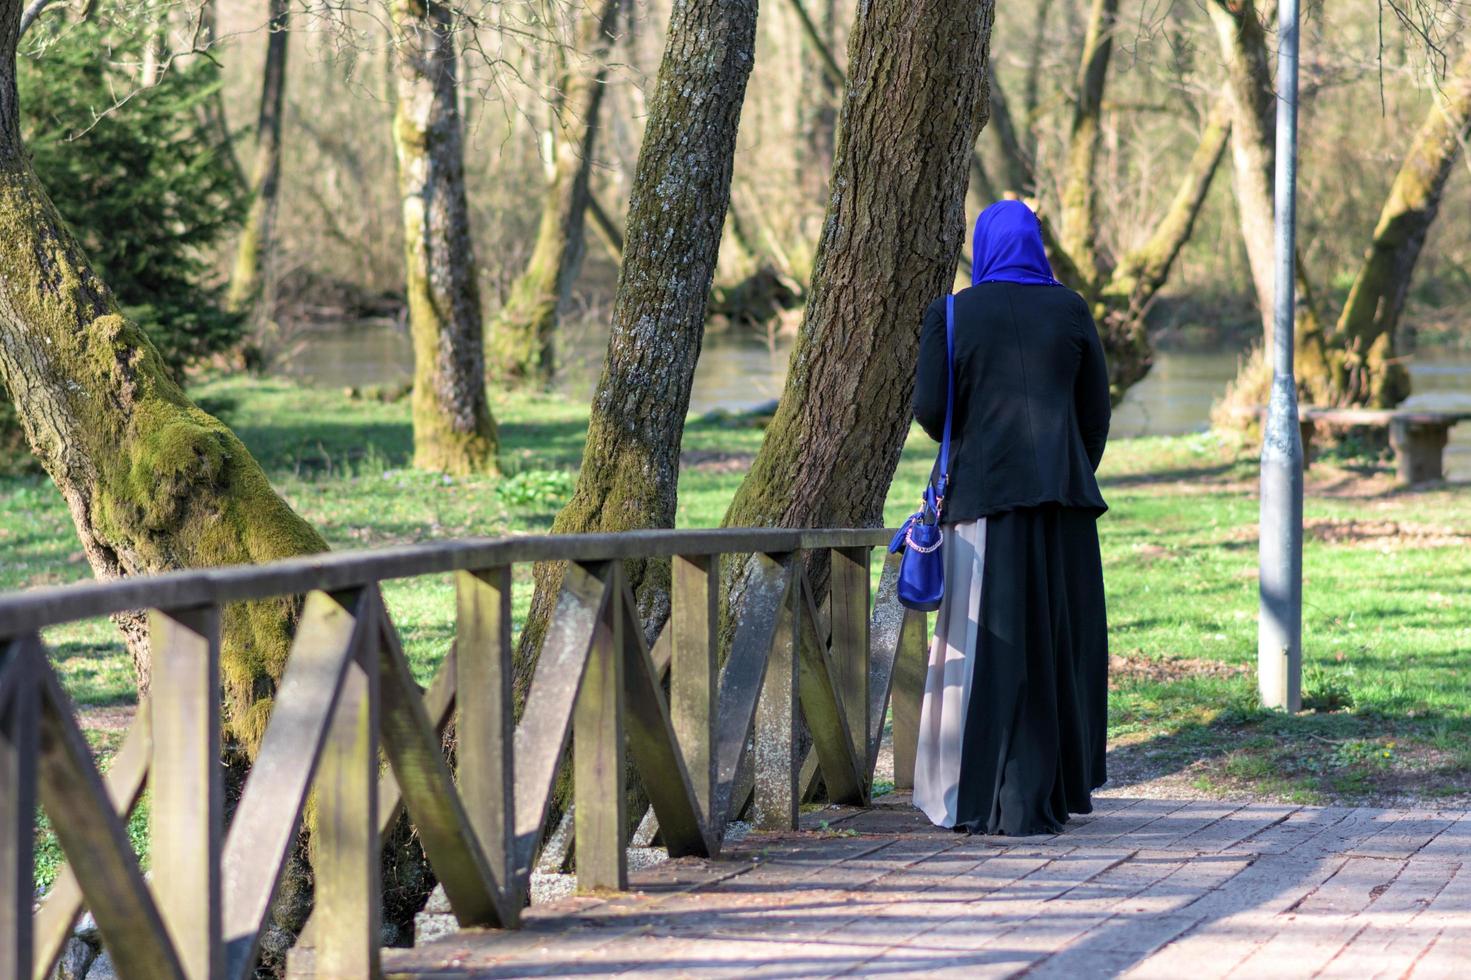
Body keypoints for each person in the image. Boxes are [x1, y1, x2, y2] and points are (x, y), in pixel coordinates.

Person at [910, 199, 1111, 837]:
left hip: (982, 502)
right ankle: (1049, 790)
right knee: (1058, 640)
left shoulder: (950, 314)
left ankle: (972, 795)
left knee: (983, 641)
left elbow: (931, 410)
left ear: (982, 245)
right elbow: (1095, 415)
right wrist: (1065, 468)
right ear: (1036, 245)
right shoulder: (1072, 309)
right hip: (1063, 506)